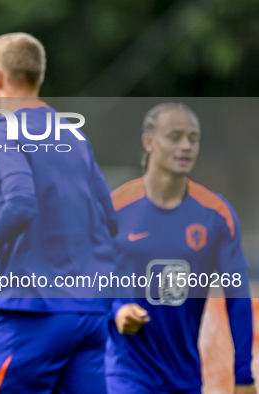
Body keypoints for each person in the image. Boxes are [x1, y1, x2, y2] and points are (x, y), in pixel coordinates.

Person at [0, 33, 118, 393]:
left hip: (33, 311)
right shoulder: (73, 134)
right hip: (90, 311)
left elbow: (21, 202)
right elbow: (110, 218)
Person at [106, 103, 255, 394]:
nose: (186, 146)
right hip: (125, 372)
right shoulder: (114, 208)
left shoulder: (216, 214)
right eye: (175, 137)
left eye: (193, 138)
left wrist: (243, 377)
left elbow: (237, 297)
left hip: (184, 378)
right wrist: (118, 310)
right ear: (148, 142)